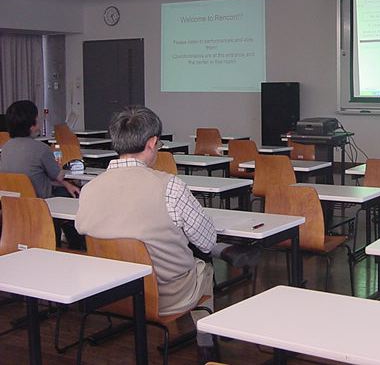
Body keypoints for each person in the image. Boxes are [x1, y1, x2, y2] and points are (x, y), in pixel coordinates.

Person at [75, 106, 218, 362]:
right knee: (204, 266)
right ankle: (206, 345)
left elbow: (81, 229)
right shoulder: (169, 186)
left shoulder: (89, 189)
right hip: (165, 296)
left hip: (109, 293)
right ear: (152, 143)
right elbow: (207, 241)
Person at [0, 100, 83, 249]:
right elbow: (58, 176)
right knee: (75, 194)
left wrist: (64, 184)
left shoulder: (5, 148)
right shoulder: (41, 149)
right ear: (31, 125)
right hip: (41, 203)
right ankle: (77, 246)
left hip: (12, 206)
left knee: (65, 188)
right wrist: (67, 181)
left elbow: (31, 178)